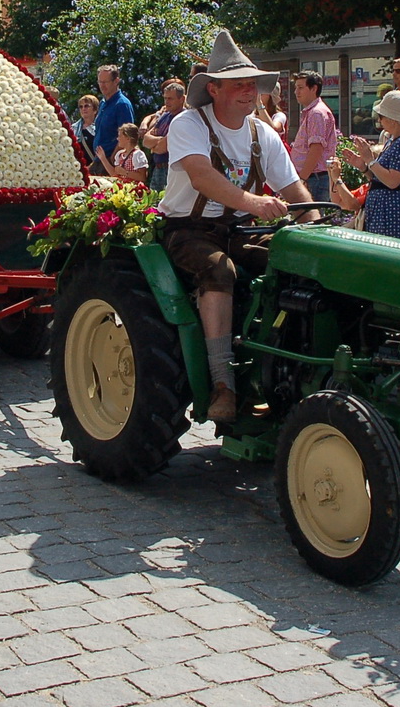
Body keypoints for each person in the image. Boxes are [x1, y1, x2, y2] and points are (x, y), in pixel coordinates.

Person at [160, 32, 313, 425]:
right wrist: (255, 203)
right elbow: (201, 176)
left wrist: (315, 226)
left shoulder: (262, 133)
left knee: (296, 261)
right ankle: (223, 383)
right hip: (188, 229)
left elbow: (293, 187)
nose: (250, 92)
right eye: (239, 84)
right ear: (213, 88)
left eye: (254, 84)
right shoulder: (187, 124)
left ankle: (287, 369)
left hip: (240, 229)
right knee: (218, 270)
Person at [338, 90, 400, 240]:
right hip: (381, 209)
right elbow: (379, 179)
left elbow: (392, 181)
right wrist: (363, 166)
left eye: (381, 116)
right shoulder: (393, 140)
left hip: (392, 211)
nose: (379, 120)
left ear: (393, 119)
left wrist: (370, 160)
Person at [290, 71, 338, 205]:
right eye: (296, 88)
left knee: (312, 221)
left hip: (314, 178)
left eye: (300, 87)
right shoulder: (313, 112)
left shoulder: (317, 113)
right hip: (313, 177)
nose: (296, 92)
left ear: (314, 88)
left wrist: (302, 179)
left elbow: (316, 149)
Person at [142, 81, 185, 192]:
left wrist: (155, 145)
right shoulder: (164, 116)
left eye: (170, 98)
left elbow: (161, 148)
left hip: (172, 170)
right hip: (158, 169)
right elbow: (145, 140)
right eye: (165, 98)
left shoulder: (184, 119)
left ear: (182, 99)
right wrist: (160, 141)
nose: (166, 102)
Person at [94, 65, 134, 167]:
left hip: (111, 162)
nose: (102, 86)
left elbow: (128, 136)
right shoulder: (103, 103)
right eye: (100, 82)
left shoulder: (122, 104)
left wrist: (113, 160)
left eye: (105, 82)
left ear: (116, 81)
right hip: (99, 160)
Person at [74, 95, 101, 174]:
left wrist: (90, 167)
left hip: (96, 169)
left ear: (95, 110)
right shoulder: (74, 128)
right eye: (81, 107)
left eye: (86, 106)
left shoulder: (100, 128)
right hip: (78, 171)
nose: (83, 109)